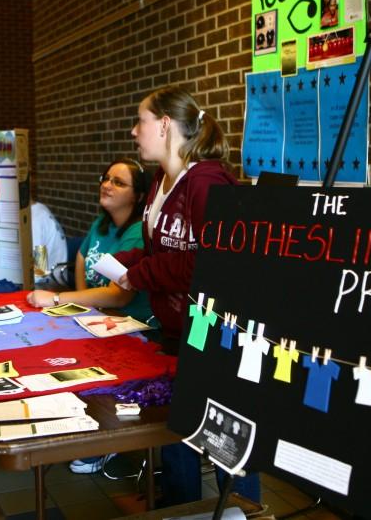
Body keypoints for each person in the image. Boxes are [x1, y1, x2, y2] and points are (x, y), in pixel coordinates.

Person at [114, 85, 261, 506]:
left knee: (226, 448)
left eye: (139, 121)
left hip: (215, 337)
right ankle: (182, 513)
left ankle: (247, 513)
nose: (133, 131)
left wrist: (141, 273)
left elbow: (209, 264)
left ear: (163, 125)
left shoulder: (207, 183)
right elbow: (162, 249)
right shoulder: (162, 180)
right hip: (178, 333)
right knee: (177, 437)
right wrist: (126, 261)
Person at [27, 157, 151, 475]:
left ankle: (106, 444)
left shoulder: (138, 232)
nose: (107, 185)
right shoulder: (102, 221)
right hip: (100, 317)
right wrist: (84, 307)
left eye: (118, 182)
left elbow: (119, 294)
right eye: (106, 178)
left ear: (137, 196)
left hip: (134, 327)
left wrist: (57, 297)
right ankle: (77, 429)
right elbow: (82, 256)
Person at [30, 200, 67, 272]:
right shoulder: (39, 207)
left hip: (49, 281)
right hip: (59, 273)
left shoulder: (34, 220)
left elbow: (39, 270)